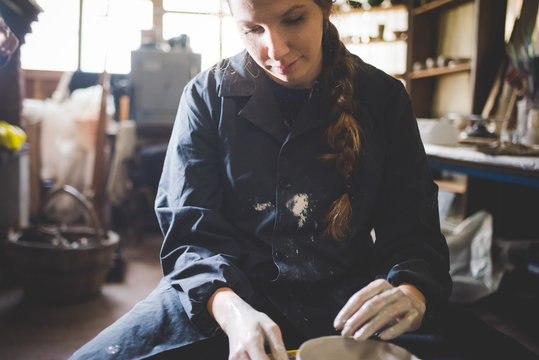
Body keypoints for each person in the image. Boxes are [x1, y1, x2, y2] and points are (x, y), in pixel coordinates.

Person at [70, 0, 538, 359]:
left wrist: (411, 291)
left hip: (350, 304)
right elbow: (190, 236)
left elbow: (414, 233)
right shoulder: (206, 96)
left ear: (325, 8)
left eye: (293, 19)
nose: (275, 50)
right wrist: (232, 312)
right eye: (252, 28)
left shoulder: (383, 99)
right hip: (224, 294)